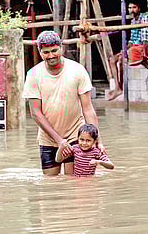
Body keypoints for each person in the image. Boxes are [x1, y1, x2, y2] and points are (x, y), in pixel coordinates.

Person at [22, 31, 106, 176]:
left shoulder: (77, 70)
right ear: (40, 52)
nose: (51, 56)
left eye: (54, 50)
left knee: (74, 180)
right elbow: (36, 113)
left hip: (76, 136)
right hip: (48, 138)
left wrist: (97, 139)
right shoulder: (33, 75)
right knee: (50, 183)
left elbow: (88, 109)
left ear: (61, 48)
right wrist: (59, 140)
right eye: (46, 52)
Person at [107, 1, 143, 101]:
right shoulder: (132, 21)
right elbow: (131, 39)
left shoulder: (143, 19)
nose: (132, 10)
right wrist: (125, 49)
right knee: (112, 60)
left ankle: (120, 87)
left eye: (134, 7)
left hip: (138, 48)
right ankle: (117, 87)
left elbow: (142, 39)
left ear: (139, 9)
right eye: (130, 8)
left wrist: (128, 49)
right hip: (131, 47)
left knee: (121, 61)